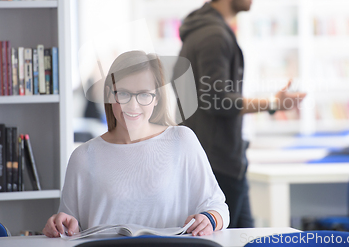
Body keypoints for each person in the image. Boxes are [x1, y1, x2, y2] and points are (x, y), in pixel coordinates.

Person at [175, 0, 306, 228]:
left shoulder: (205, 29)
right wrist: (273, 102)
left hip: (217, 158)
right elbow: (217, 99)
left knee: (246, 235)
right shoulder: (213, 35)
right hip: (217, 163)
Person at [43, 50, 229, 238]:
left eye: (144, 95)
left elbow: (218, 207)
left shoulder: (181, 141)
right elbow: (68, 226)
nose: (133, 106)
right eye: (123, 94)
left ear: (156, 98)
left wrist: (210, 219)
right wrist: (60, 225)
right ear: (108, 94)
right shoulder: (83, 156)